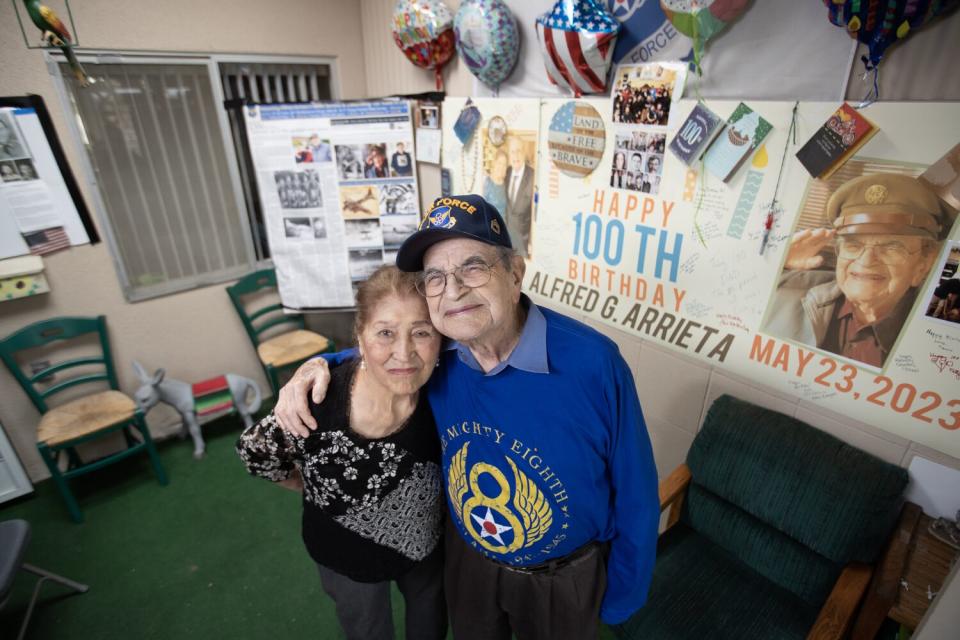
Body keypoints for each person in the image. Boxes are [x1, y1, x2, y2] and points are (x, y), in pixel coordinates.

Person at [274, 194, 659, 640]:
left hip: (563, 576)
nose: (453, 290)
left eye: (473, 267)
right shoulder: (440, 354)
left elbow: (636, 489)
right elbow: (384, 353)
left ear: (515, 274)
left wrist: (625, 592)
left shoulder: (593, 363)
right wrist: (320, 363)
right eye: (435, 277)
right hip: (469, 565)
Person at [236, 265, 447, 640]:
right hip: (344, 556)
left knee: (429, 617)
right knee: (367, 629)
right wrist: (308, 486)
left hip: (425, 546)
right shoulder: (316, 401)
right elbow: (256, 453)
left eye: (421, 331)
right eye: (385, 333)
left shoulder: (442, 393)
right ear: (360, 338)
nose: (404, 352)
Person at [765, 174, 949, 368]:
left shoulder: (939, 334)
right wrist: (772, 265)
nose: (866, 260)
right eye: (853, 245)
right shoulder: (782, 291)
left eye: (892, 247)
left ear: (923, 264)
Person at [503, 137, 534, 258]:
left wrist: (532, 242)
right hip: (506, 242)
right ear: (509, 155)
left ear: (524, 153)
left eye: (519, 151)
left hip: (523, 243)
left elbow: (536, 214)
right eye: (513, 151)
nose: (516, 155)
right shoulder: (506, 172)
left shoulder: (533, 176)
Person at [483, 150, 509, 216]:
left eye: (504, 164)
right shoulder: (487, 182)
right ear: (494, 163)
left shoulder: (506, 184)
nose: (501, 167)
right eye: (499, 163)